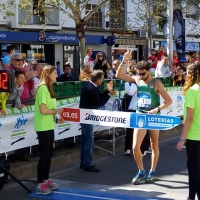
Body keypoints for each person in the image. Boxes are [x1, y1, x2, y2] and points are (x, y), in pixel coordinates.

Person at [116, 51, 172, 184]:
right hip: (141, 117)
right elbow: (119, 75)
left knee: (154, 145)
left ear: (149, 71)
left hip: (153, 118)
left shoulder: (157, 83)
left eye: (143, 74)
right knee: (135, 147)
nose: (140, 76)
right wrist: (124, 60)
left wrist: (156, 109)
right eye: (139, 73)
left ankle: (152, 171)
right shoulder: (137, 79)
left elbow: (168, 101)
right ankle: (141, 171)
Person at [34, 65, 64, 195]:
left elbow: (49, 111)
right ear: (48, 74)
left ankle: (45, 180)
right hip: (42, 126)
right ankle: (40, 184)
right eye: (54, 73)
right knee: (44, 155)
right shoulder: (42, 88)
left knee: (49, 153)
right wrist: (56, 111)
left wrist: (57, 119)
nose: (56, 75)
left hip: (49, 125)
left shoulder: (48, 88)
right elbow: (43, 110)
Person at [79, 70, 117, 172]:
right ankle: (87, 163)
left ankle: (83, 162)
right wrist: (109, 95)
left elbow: (98, 96)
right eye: (102, 78)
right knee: (88, 140)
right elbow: (99, 102)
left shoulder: (90, 86)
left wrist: (108, 92)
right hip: (87, 116)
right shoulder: (91, 88)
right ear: (98, 80)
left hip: (85, 115)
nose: (103, 80)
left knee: (85, 139)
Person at [177, 62, 200, 200]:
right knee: (192, 167)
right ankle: (191, 197)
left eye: (187, 72)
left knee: (195, 169)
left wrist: (182, 138)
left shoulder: (193, 91)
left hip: (194, 136)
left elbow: (189, 118)